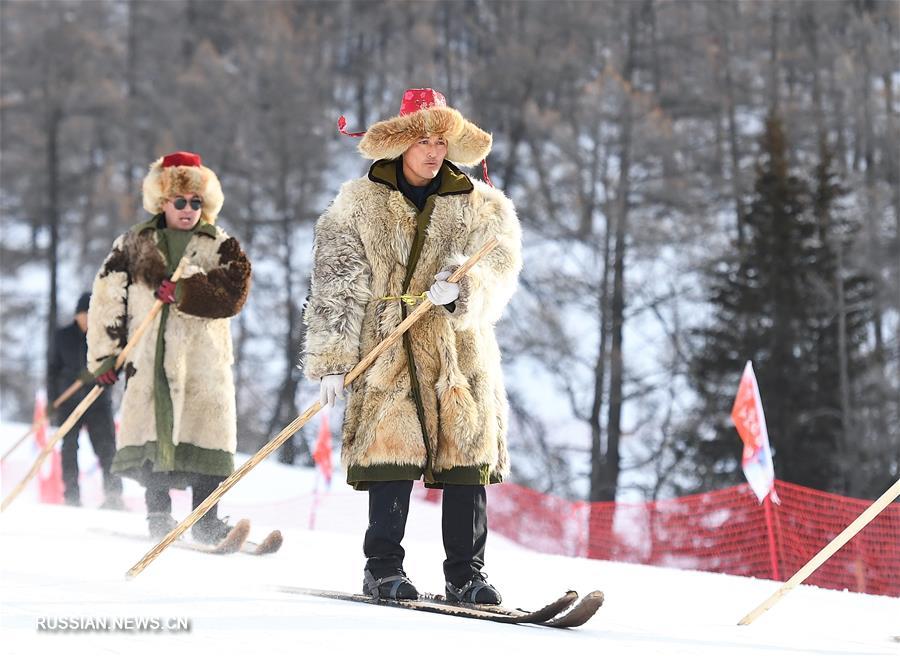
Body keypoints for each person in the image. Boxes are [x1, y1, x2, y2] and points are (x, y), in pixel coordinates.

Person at [303, 88, 522, 603]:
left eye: (442, 140)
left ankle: (467, 575)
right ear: (400, 141)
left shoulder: (480, 203)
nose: (433, 151)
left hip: (457, 347)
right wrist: (332, 361)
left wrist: (462, 289)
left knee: (467, 458)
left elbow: (501, 264)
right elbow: (336, 282)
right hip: (388, 344)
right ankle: (382, 568)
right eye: (423, 139)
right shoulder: (356, 204)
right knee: (390, 455)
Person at [85, 151, 251, 543]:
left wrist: (186, 291)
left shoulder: (219, 243)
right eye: (181, 201)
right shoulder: (133, 243)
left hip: (203, 363)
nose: (189, 209)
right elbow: (107, 299)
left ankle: (206, 520)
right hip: (148, 361)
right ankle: (158, 515)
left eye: (197, 202)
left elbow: (235, 293)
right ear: (162, 201)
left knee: (207, 438)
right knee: (154, 436)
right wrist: (104, 355)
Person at [48, 292, 123, 508]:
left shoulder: (106, 336)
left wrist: (101, 373)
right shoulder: (62, 336)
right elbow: (52, 370)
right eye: (84, 314)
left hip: (98, 401)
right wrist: (53, 402)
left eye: (92, 314)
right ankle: (71, 496)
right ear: (76, 316)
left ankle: (113, 495)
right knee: (69, 448)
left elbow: (117, 365)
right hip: (68, 402)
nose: (88, 319)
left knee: (106, 447)